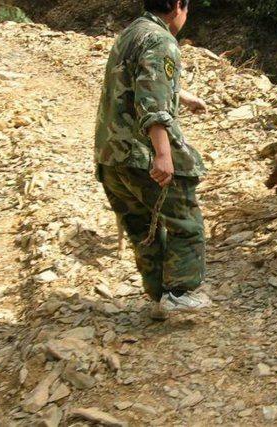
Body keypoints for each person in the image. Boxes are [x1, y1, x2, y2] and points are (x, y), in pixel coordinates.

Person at [94, 0, 211, 320]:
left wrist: (181, 94)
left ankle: (159, 295)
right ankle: (181, 293)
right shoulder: (161, 40)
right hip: (140, 154)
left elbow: (136, 78)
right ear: (177, 6)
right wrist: (163, 154)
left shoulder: (132, 32)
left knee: (143, 228)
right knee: (185, 222)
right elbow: (153, 106)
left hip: (111, 158)